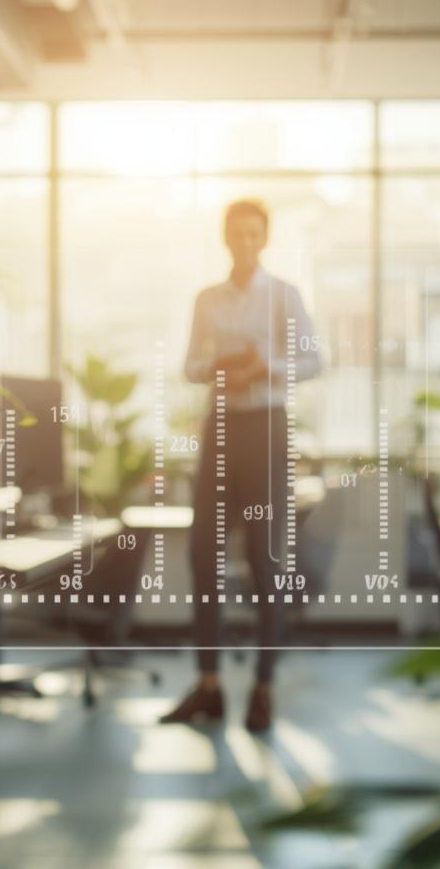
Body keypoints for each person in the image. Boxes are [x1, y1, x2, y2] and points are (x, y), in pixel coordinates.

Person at [160, 198, 320, 733]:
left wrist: (264, 366)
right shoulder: (207, 299)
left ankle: (263, 688)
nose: (245, 243)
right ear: (225, 237)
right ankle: (207, 686)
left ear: (265, 239)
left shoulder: (284, 295)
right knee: (204, 555)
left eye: (255, 235)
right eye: (237, 234)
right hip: (221, 429)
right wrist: (220, 367)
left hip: (267, 430)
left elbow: (315, 360)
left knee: (266, 563)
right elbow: (189, 365)